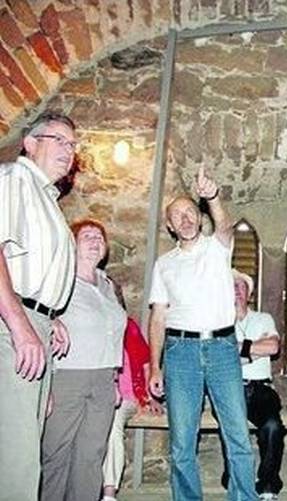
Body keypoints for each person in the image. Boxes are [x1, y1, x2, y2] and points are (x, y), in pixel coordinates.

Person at [148, 168, 256, 501]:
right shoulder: (164, 264)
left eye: (190, 212)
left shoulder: (217, 248)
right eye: (177, 216)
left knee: (237, 435)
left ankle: (244, 497)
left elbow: (224, 225)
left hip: (222, 348)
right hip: (180, 352)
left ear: (199, 216)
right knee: (182, 441)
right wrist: (155, 367)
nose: (185, 219)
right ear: (170, 226)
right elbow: (158, 317)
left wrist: (213, 197)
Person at [0, 111, 75, 500]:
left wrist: (50, 317)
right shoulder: (15, 178)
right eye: (59, 140)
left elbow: (33, 269)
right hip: (12, 325)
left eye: (73, 144)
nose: (69, 150)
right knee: (16, 457)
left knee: (27, 446)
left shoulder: (47, 199)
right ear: (30, 143)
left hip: (36, 324)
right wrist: (20, 323)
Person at [40, 219, 127, 501]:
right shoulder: (59, 279)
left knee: (92, 455)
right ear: (72, 244)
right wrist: (45, 385)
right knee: (57, 453)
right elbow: (39, 318)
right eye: (87, 236)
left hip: (103, 379)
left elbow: (113, 335)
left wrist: (114, 380)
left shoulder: (108, 285)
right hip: (67, 376)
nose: (95, 240)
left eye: (99, 237)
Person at [219, 269, 284, 500]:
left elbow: (273, 347)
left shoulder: (263, 319)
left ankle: (268, 485)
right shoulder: (218, 321)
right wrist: (255, 350)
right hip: (228, 387)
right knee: (234, 430)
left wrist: (239, 350)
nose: (237, 290)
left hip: (261, 388)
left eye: (241, 286)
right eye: (232, 286)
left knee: (272, 427)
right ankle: (235, 479)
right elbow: (219, 355)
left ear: (249, 294)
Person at [102, 316, 164, 501]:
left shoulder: (129, 328)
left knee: (113, 423)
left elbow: (146, 364)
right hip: (95, 396)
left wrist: (150, 397)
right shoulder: (96, 323)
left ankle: (109, 492)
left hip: (126, 397)